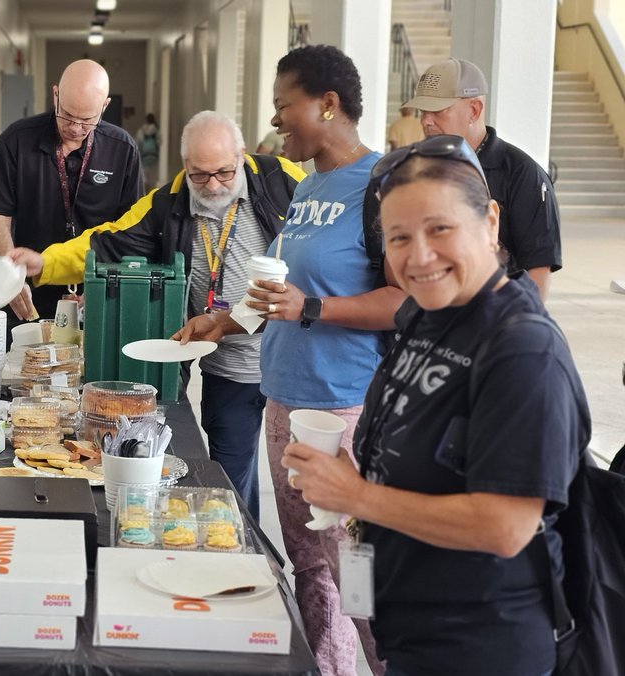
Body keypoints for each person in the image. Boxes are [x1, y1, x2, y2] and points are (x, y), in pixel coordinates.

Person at [283, 135, 588, 676]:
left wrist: (360, 496)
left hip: (481, 647)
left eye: (439, 229)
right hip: (414, 634)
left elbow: (504, 526)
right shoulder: (429, 316)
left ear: (491, 222)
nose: (418, 257)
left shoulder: (523, 349)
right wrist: (350, 478)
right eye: (398, 237)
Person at [175, 45, 398, 676]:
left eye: (283, 107)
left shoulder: (382, 183)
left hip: (344, 405)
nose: (276, 122)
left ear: (327, 104)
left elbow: (405, 300)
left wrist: (311, 310)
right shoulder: (308, 187)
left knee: (356, 566)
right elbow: (276, 289)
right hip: (286, 400)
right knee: (307, 559)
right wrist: (220, 322)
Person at [10, 111, 303, 520]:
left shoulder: (281, 180)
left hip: (296, 360)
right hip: (231, 367)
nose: (214, 185)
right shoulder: (169, 202)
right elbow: (107, 241)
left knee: (303, 493)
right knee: (230, 483)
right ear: (184, 166)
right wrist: (45, 262)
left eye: (224, 171)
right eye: (200, 175)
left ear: (241, 154)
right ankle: (243, 553)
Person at [0, 58, 143, 332]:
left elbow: (131, 232)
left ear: (104, 107)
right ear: (55, 94)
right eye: (67, 115)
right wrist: (10, 280)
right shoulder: (16, 142)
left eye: (87, 120)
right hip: (29, 288)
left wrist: (105, 285)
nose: (75, 127)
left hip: (97, 290)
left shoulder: (123, 150)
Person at [405, 57, 561, 299]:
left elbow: (538, 270)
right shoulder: (419, 168)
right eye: (423, 111)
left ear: (474, 110)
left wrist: (518, 327)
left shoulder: (523, 174)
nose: (426, 120)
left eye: (436, 110)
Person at [135, 112, 161, 191]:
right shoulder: (156, 130)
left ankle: (145, 189)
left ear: (146, 120)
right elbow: (159, 142)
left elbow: (137, 143)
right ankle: (153, 190)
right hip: (154, 155)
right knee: (153, 174)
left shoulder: (141, 131)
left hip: (144, 155)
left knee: (144, 174)